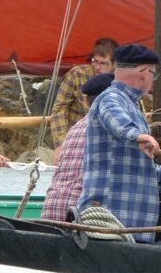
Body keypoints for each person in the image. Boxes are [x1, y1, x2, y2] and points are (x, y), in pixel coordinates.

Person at [77, 44, 161, 241]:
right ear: (144, 73)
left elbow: (137, 166)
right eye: (153, 75)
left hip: (132, 224)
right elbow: (116, 120)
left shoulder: (131, 107)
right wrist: (138, 135)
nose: (151, 81)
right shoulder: (111, 99)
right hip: (111, 223)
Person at [40, 73, 113, 221]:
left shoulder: (74, 128)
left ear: (86, 102)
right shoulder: (108, 128)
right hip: (79, 215)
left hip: (52, 208)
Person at [48, 37, 118, 151]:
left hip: (108, 143)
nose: (98, 67)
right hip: (76, 140)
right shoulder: (76, 75)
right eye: (95, 62)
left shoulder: (121, 81)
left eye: (104, 64)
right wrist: (60, 144)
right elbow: (59, 109)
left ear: (115, 64)